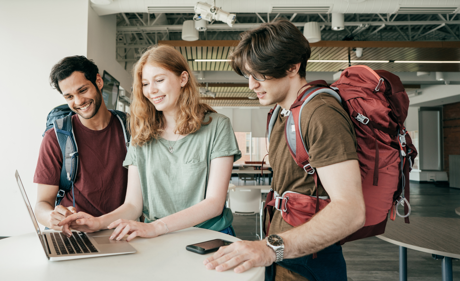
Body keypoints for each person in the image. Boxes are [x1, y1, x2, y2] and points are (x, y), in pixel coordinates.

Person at [203, 20, 365, 280]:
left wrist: (270, 248)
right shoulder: (281, 113)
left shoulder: (320, 113)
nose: (251, 85)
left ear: (292, 66)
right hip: (282, 255)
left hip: (310, 264)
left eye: (259, 74)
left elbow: (351, 210)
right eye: (248, 76)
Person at [59, 45, 241, 241]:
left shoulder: (217, 126)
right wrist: (99, 222)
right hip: (158, 238)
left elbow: (214, 203)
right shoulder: (142, 133)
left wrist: (156, 227)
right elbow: (133, 205)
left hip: (209, 236)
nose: (151, 90)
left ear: (183, 79)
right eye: (145, 84)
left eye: (159, 80)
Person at [34, 56, 129, 234]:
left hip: (121, 231)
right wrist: (51, 217)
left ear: (98, 81)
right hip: (75, 234)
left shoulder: (130, 129)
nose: (78, 101)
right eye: (69, 96)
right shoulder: (55, 137)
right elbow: (42, 204)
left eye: (83, 90)